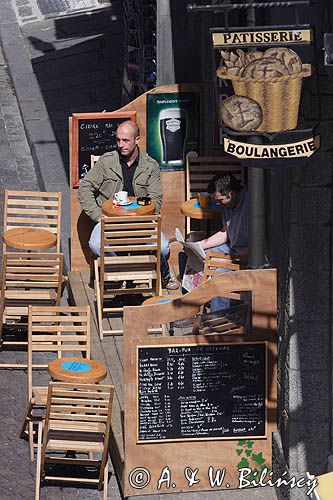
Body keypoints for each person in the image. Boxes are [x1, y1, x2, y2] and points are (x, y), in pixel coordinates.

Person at [78, 120, 178, 290]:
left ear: (137, 140)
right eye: (118, 140)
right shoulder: (107, 162)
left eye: (125, 140)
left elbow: (156, 199)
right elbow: (85, 188)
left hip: (141, 221)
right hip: (109, 220)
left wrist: (143, 215)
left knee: (163, 247)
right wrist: (97, 215)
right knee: (95, 244)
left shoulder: (150, 166)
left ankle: (164, 272)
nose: (121, 145)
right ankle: (118, 271)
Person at [179, 173, 248, 311]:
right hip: (231, 248)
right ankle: (191, 308)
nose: (217, 204)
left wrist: (226, 261)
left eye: (219, 200)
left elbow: (257, 250)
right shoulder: (228, 205)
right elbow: (225, 232)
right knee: (185, 256)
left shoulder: (250, 207)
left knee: (218, 275)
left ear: (231, 194)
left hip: (246, 255)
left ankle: (218, 319)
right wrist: (197, 246)